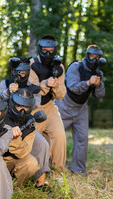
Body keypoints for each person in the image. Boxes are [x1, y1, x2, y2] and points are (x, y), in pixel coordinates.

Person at [0, 58, 51, 189]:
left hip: (24, 123)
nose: (20, 75)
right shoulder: (5, 84)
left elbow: (36, 103)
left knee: (42, 144)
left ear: (28, 72)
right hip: (5, 122)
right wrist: (9, 93)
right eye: (18, 72)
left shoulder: (32, 86)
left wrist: (24, 93)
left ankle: (41, 181)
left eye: (23, 73)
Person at [55, 45, 106, 175]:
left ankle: (78, 170)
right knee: (55, 136)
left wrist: (98, 84)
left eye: (97, 57)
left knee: (82, 139)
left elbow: (99, 95)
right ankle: (51, 167)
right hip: (64, 106)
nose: (94, 59)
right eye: (92, 56)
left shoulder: (98, 72)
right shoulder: (75, 67)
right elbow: (73, 87)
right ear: (87, 55)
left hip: (81, 109)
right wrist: (88, 83)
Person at [28, 35, 67, 175]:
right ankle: (36, 174)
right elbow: (32, 92)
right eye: (45, 50)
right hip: (33, 107)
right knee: (32, 139)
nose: (48, 54)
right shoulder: (32, 64)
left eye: (51, 50)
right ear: (40, 49)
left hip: (50, 106)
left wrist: (55, 85)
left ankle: (57, 174)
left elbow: (61, 95)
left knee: (60, 136)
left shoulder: (59, 66)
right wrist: (45, 84)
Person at [3, 88, 42, 187]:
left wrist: (15, 139)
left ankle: (13, 187)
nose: (22, 110)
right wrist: (8, 131)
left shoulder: (30, 124)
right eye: (19, 106)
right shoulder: (1, 114)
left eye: (26, 107)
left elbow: (24, 152)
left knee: (31, 163)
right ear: (12, 104)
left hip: (12, 160)